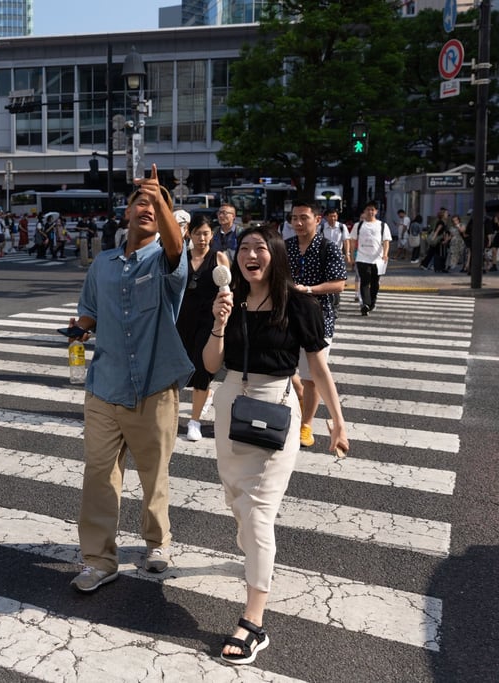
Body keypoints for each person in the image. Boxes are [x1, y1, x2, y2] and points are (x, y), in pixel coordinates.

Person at [203, 225, 348, 666]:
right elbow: (211, 365)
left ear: (275, 256)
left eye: (260, 248)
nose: (251, 255)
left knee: (257, 512)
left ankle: (253, 623)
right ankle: (253, 555)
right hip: (231, 404)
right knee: (236, 501)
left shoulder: (300, 304)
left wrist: (337, 423)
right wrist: (219, 322)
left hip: (276, 410)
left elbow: (319, 371)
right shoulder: (232, 303)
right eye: (244, 248)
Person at [65, 164, 193, 593]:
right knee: (99, 475)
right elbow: (90, 311)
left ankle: (157, 542)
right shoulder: (101, 264)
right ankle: (99, 559)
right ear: (126, 212)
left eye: (156, 206)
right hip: (104, 384)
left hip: (155, 386)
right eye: (141, 201)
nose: (148, 208)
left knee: (154, 473)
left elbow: (177, 249)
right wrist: (79, 327)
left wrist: (159, 195)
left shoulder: (167, 259)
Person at [284, 202, 347, 447]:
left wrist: (308, 289)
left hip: (318, 319)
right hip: (287, 317)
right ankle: (299, 398)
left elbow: (339, 283)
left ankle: (306, 424)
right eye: (294, 218)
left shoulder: (328, 248)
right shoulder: (285, 247)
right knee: (285, 368)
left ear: (317, 219)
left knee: (312, 376)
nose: (298, 223)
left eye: (304, 218)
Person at [176, 215, 230, 442]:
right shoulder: (180, 258)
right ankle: (169, 417)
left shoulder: (218, 258)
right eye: (197, 233)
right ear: (190, 233)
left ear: (212, 234)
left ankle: (194, 421)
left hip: (207, 322)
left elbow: (227, 291)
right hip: (181, 321)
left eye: (206, 233)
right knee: (176, 371)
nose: (202, 238)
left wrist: (223, 318)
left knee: (202, 372)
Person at [347, 202, 391, 315]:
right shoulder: (359, 225)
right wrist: (351, 256)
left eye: (372, 210)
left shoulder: (382, 225)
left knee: (375, 283)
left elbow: (386, 241)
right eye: (368, 209)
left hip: (377, 259)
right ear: (364, 211)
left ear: (376, 211)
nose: (370, 212)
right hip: (362, 258)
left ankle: (372, 302)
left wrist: (385, 254)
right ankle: (365, 304)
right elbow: (352, 241)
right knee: (365, 282)